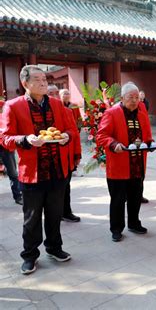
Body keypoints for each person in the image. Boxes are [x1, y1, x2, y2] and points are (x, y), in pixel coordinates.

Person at [1, 65, 75, 275]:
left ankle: (54, 248)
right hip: (32, 173)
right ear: (25, 83)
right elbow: (5, 138)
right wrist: (25, 139)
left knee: (54, 213)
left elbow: (70, 129)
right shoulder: (13, 106)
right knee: (32, 218)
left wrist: (66, 137)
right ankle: (30, 255)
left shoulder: (57, 105)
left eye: (44, 78)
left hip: (57, 170)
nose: (43, 82)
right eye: (37, 79)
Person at [96, 82, 153, 242]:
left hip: (137, 164)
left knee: (136, 196)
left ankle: (134, 223)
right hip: (119, 165)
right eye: (130, 97)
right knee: (118, 200)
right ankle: (116, 228)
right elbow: (101, 136)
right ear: (122, 98)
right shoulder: (112, 113)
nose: (134, 100)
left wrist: (150, 143)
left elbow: (147, 134)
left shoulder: (142, 113)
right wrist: (114, 144)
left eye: (136, 97)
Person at [48, 86, 82, 223]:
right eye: (51, 93)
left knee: (65, 187)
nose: (55, 95)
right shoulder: (41, 113)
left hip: (66, 157)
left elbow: (75, 135)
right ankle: (52, 215)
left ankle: (66, 212)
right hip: (46, 158)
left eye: (57, 93)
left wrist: (77, 155)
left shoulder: (68, 111)